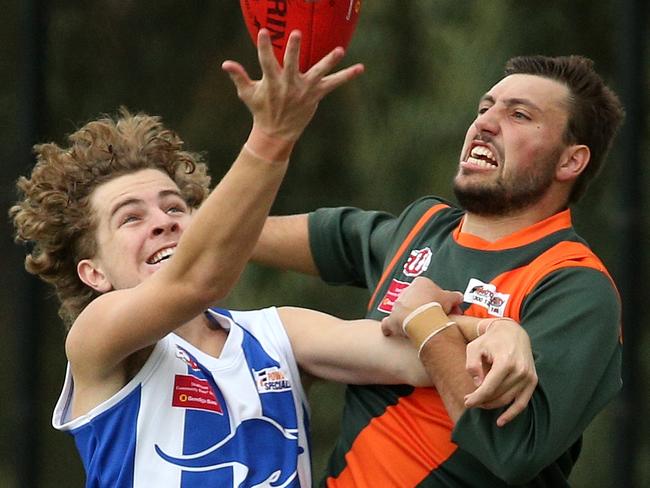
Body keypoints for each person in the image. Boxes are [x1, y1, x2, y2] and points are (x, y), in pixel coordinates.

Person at [10, 31, 537, 488]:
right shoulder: (97, 339)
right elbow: (196, 281)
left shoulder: (279, 334)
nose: (165, 220)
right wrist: (273, 134)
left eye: (175, 207)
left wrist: (499, 332)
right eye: (130, 217)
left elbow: (418, 361)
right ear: (93, 273)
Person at [252, 55, 625, 486]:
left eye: (519, 114)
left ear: (570, 161)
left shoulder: (576, 285)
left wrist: (427, 322)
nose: (485, 123)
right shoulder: (422, 227)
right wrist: (188, 232)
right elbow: (282, 236)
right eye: (485, 108)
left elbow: (514, 448)